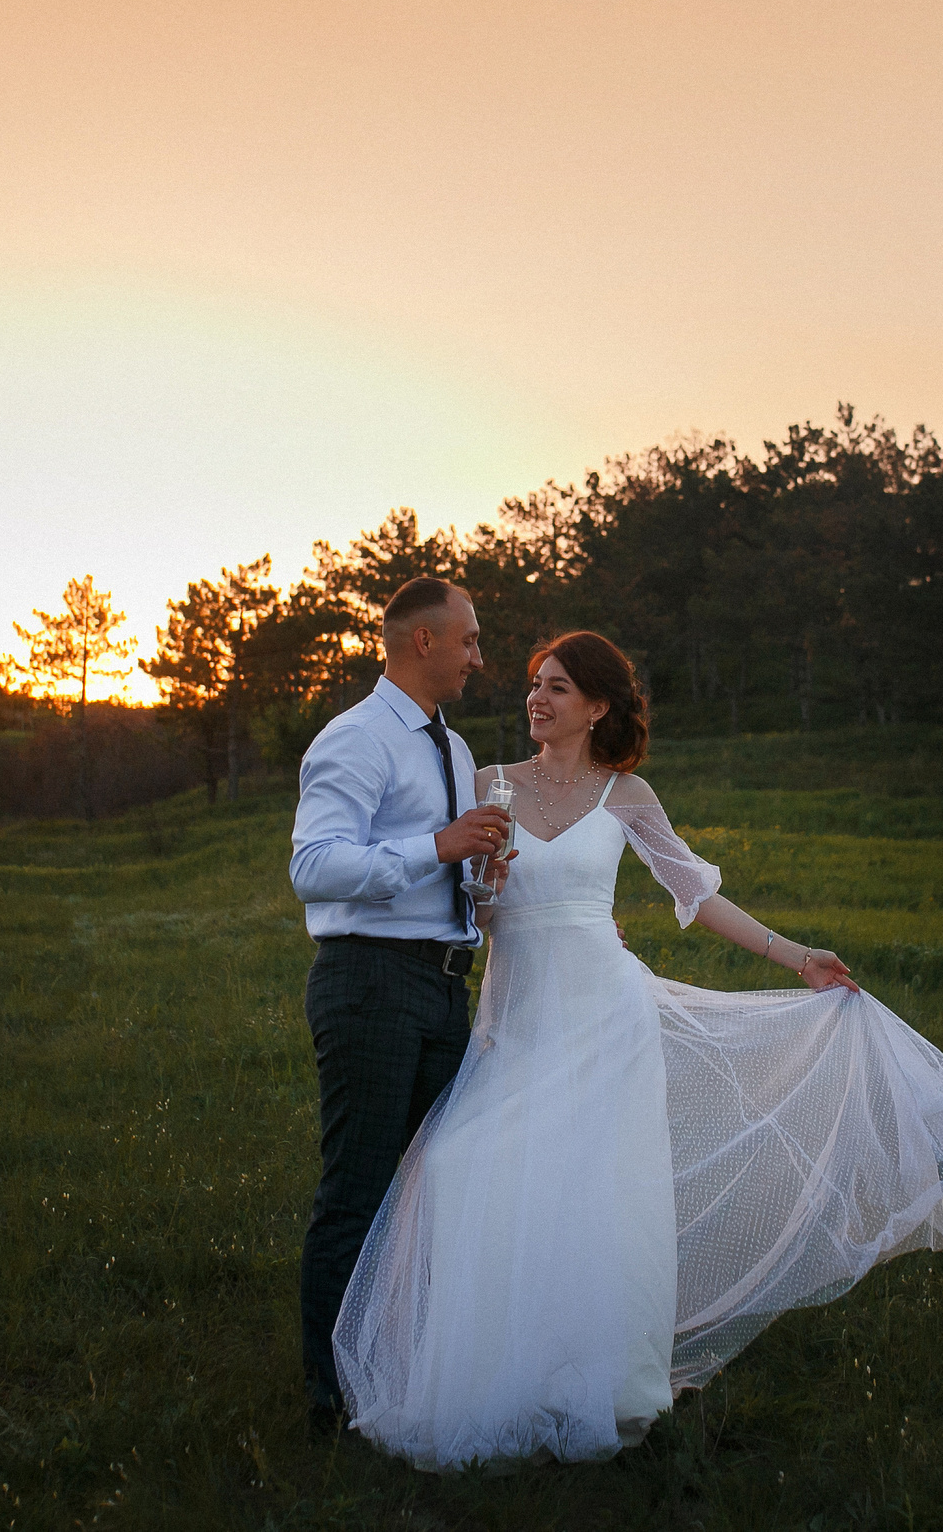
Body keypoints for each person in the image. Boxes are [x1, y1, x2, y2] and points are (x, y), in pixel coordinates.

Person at [330, 629, 943, 1471]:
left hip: (608, 1017)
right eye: (535, 684)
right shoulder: (486, 781)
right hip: (518, 1016)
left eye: (559, 687)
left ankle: (599, 1383)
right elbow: (469, 902)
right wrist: (485, 894)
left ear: (598, 706)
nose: (537, 698)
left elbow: (698, 896)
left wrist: (797, 957)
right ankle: (499, 1372)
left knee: (599, 1198)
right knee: (472, 1168)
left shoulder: (627, 794)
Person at [288, 577, 517, 1437]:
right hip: (370, 983)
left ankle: (401, 1369)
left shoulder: (454, 752)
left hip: (441, 983)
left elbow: (436, 865)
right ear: (424, 642)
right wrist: (436, 844)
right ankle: (330, 1401)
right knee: (358, 1190)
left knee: (430, 1190)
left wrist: (476, 873)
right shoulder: (354, 739)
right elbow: (314, 867)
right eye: (470, 638)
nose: (479, 655)